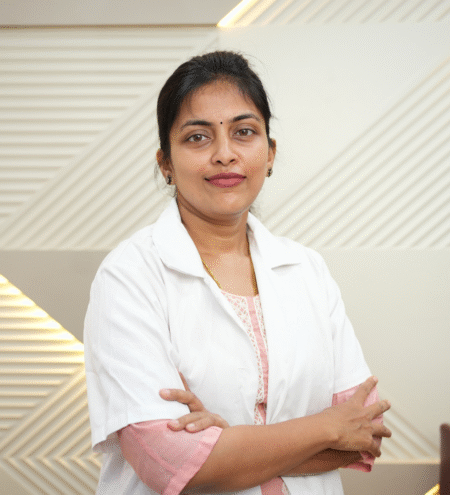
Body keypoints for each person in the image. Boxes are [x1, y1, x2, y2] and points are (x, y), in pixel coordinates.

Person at [84, 51, 392, 495]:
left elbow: (365, 432)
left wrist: (227, 445)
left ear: (270, 153)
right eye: (197, 138)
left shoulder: (307, 269)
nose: (225, 154)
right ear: (165, 163)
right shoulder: (130, 275)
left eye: (244, 132)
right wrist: (327, 427)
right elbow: (167, 462)